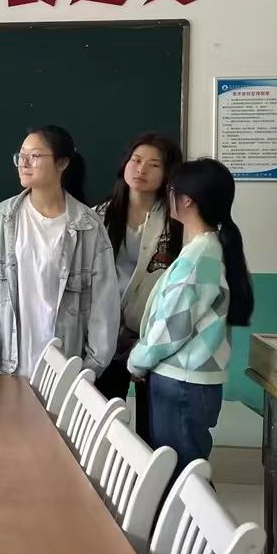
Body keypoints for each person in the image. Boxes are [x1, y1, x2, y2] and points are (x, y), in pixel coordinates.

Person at [129, 158, 254, 474]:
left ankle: (200, 512)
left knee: (182, 477)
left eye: (172, 189)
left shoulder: (199, 257)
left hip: (182, 381)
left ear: (187, 200)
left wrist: (138, 361)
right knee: (184, 472)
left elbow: (173, 326)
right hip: (187, 379)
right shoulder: (207, 248)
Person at [0, 125, 118, 380]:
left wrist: (91, 366)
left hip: (65, 366)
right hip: (10, 363)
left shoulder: (88, 226)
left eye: (35, 156)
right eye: (21, 155)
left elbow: (104, 304)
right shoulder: (4, 217)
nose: (24, 163)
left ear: (62, 163)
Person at [93, 133, 184, 437]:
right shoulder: (100, 216)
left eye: (154, 164)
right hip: (108, 333)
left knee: (154, 427)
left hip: (154, 334)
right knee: (104, 416)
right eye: (136, 160)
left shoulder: (176, 221)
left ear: (167, 173)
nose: (141, 169)